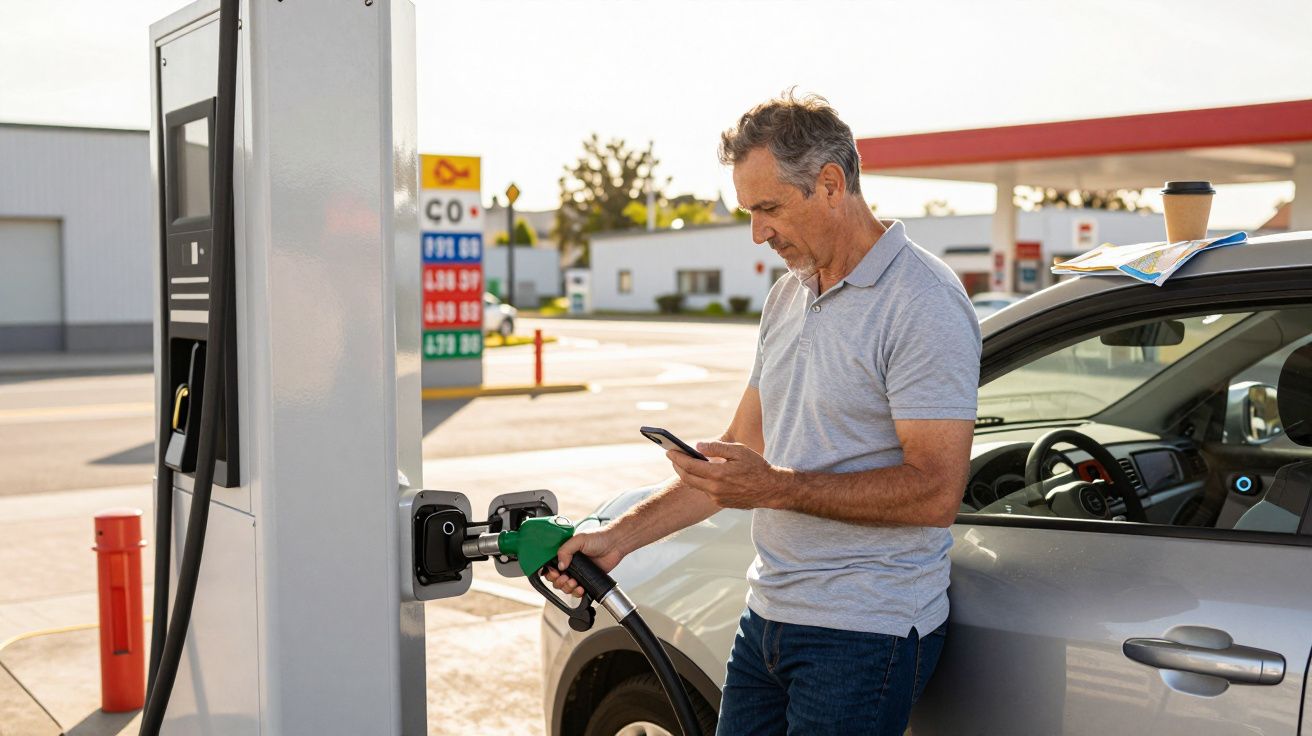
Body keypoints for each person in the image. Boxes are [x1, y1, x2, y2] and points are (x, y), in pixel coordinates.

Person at [546, 90, 981, 735]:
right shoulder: (787, 296)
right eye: (750, 211)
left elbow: (935, 492)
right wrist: (616, 541)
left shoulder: (922, 301)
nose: (758, 232)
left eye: (769, 208)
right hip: (768, 618)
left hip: (864, 634)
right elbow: (732, 460)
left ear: (831, 185)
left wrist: (773, 487)